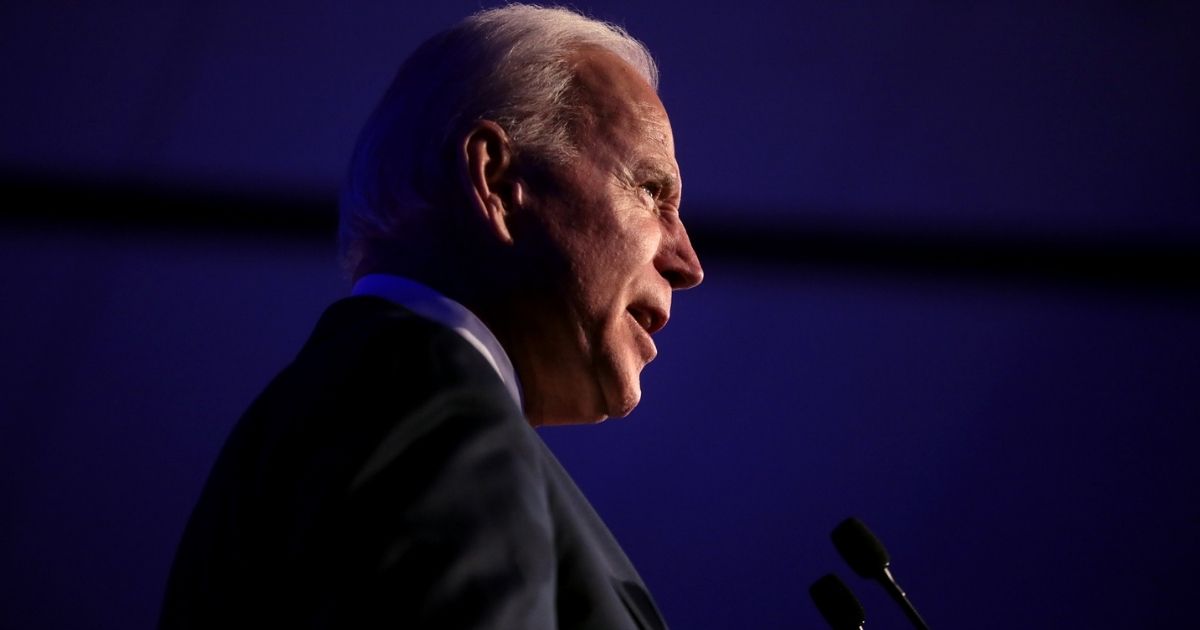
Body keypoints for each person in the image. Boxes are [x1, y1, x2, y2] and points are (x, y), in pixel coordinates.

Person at [160, 5, 703, 628]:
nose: (687, 262)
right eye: (651, 192)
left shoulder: (348, 401)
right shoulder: (432, 403)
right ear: (497, 182)